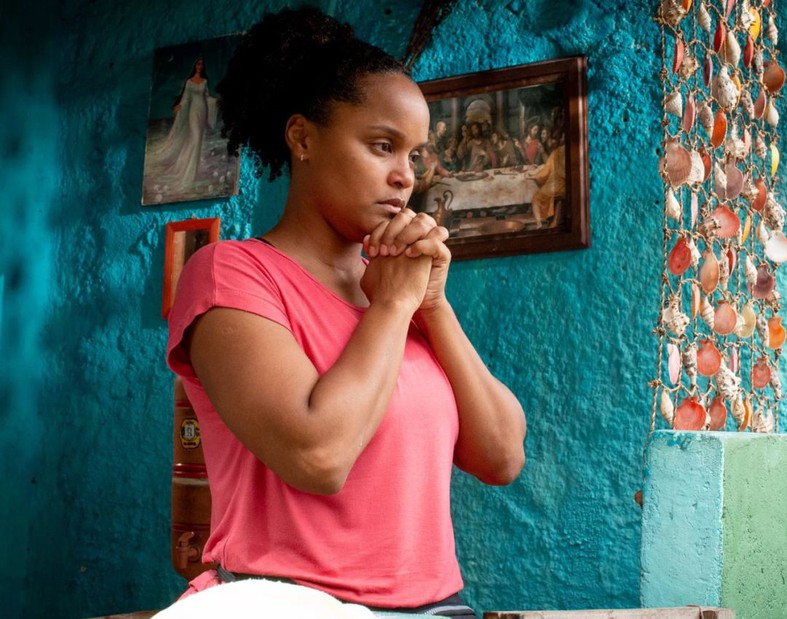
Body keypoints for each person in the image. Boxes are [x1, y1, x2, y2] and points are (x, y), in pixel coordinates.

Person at [164, 6, 526, 617]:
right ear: (303, 137)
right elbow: (318, 457)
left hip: (441, 608)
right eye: (382, 145)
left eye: (413, 155)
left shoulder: (399, 288)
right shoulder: (232, 275)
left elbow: (502, 457)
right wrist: (394, 306)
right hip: (292, 607)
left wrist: (432, 307)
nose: (403, 177)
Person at [146, 57, 216, 187]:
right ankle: (187, 173)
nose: (200, 66)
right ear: (195, 65)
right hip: (193, 113)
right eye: (198, 64)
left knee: (198, 141)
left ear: (203, 66)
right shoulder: (189, 82)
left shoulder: (205, 81)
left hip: (203, 110)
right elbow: (186, 98)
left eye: (202, 64)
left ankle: (193, 174)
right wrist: (180, 105)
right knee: (194, 139)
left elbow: (206, 97)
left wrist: (216, 101)